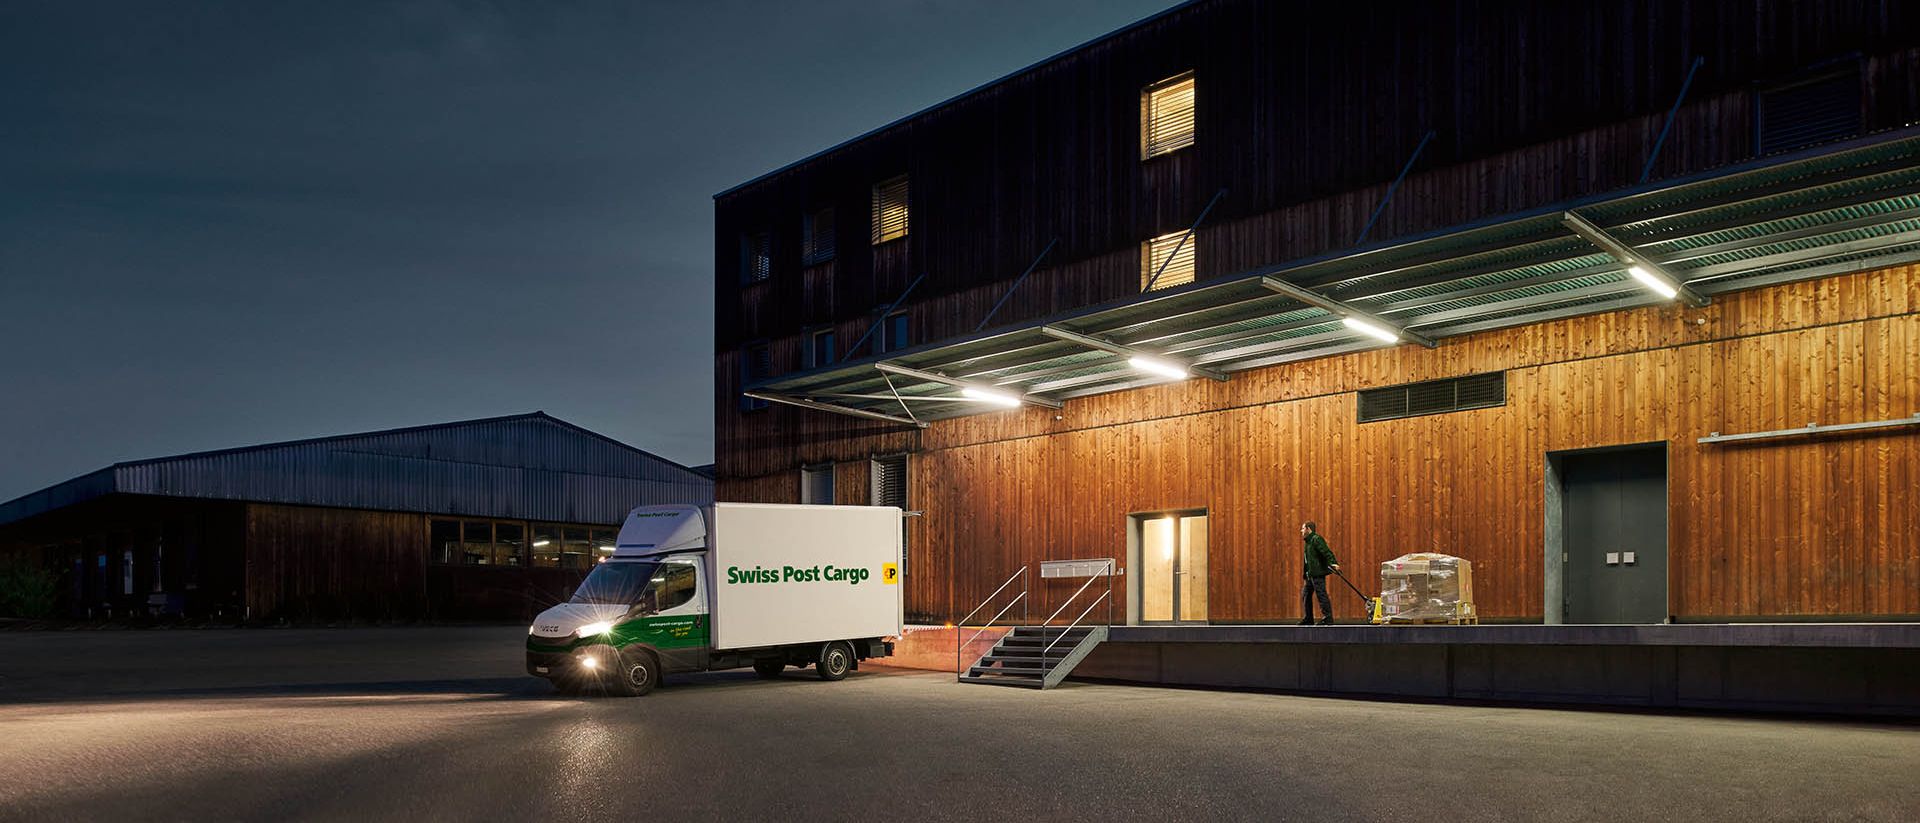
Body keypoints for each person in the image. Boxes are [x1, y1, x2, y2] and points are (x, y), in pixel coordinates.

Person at [1297, 521, 1339, 626]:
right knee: (1305, 595)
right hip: (1310, 574)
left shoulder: (1316, 539)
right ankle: (1308, 618)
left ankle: (1328, 618)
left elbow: (1326, 552)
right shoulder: (1308, 542)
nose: (1301, 531)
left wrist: (1333, 563)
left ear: (1308, 529)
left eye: (1303, 528)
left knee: (1321, 594)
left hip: (1317, 573)